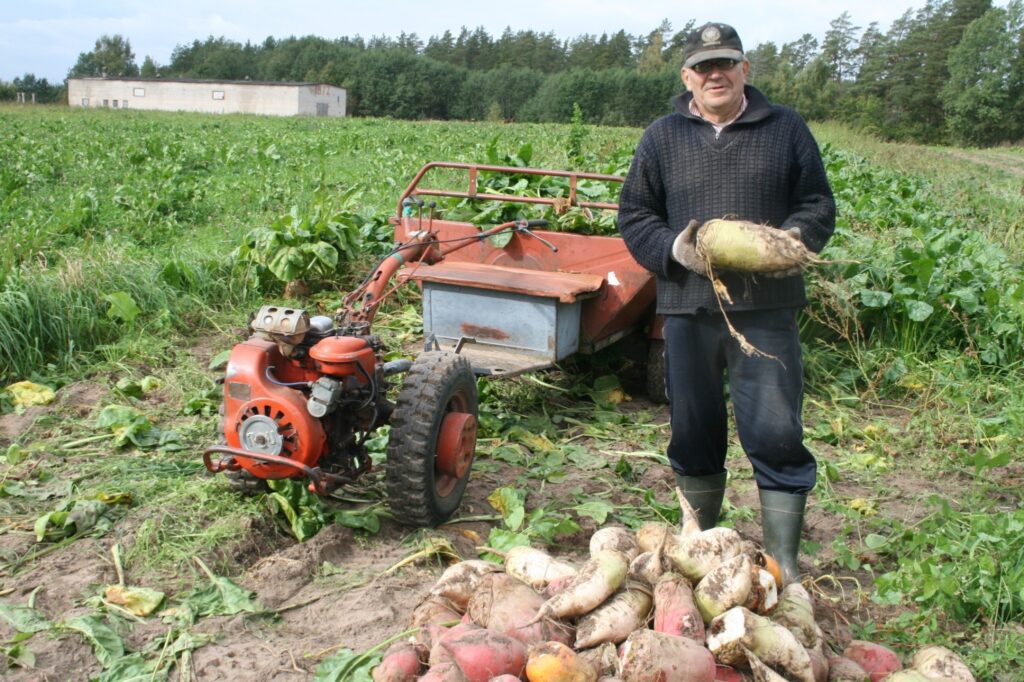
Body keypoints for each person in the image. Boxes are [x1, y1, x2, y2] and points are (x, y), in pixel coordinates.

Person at [617, 22, 836, 583]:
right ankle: (701, 545)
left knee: (776, 432)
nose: (715, 74)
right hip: (688, 309)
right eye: (703, 66)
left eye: (726, 63)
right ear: (687, 76)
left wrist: (786, 244)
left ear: (745, 70)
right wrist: (675, 250)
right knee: (693, 431)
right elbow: (636, 215)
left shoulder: (785, 128)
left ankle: (783, 559)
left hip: (765, 312)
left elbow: (817, 204)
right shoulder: (662, 137)